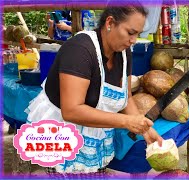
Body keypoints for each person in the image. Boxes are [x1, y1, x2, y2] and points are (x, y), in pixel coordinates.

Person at [26, 5, 163, 174]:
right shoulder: (80, 50)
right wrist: (126, 122)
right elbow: (71, 111)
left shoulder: (124, 53)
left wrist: (145, 129)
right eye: (130, 32)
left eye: (137, 34)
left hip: (94, 134)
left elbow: (126, 97)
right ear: (110, 22)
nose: (133, 40)